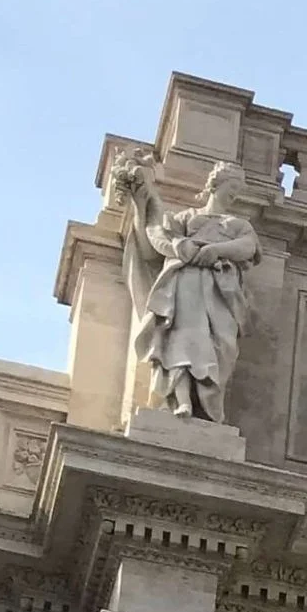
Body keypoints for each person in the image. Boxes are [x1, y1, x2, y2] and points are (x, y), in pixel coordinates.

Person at [109, 156, 261, 423]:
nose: (235, 195)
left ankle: (206, 405)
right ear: (216, 185)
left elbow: (248, 247)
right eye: (232, 187)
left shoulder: (238, 225)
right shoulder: (184, 219)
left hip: (219, 294)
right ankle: (182, 402)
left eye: (239, 190)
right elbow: (153, 244)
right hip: (186, 285)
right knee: (183, 341)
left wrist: (215, 250)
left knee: (218, 347)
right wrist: (143, 205)